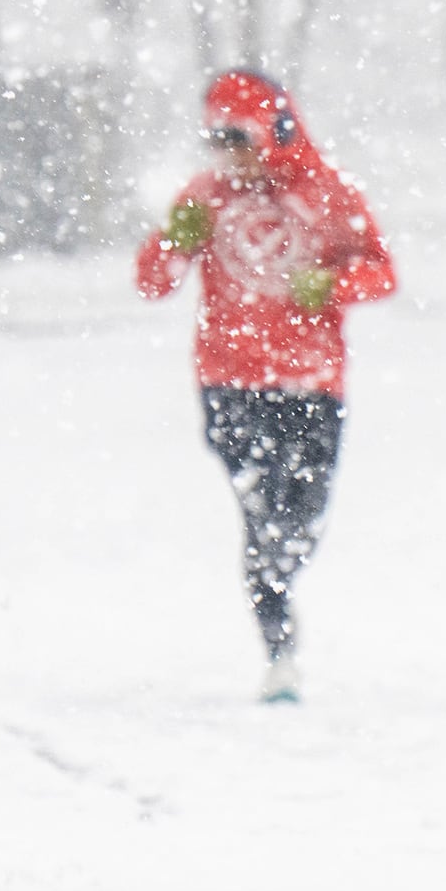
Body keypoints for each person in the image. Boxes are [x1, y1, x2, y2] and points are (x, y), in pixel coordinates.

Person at [136, 69, 397, 701]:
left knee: (301, 515)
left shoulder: (327, 194)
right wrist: (176, 240)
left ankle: (277, 586)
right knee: (261, 513)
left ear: (275, 132)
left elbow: (381, 271)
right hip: (229, 383)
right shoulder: (204, 197)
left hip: (312, 383)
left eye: (239, 138)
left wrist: (331, 286)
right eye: (216, 140)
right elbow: (152, 281)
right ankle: (277, 638)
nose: (228, 155)